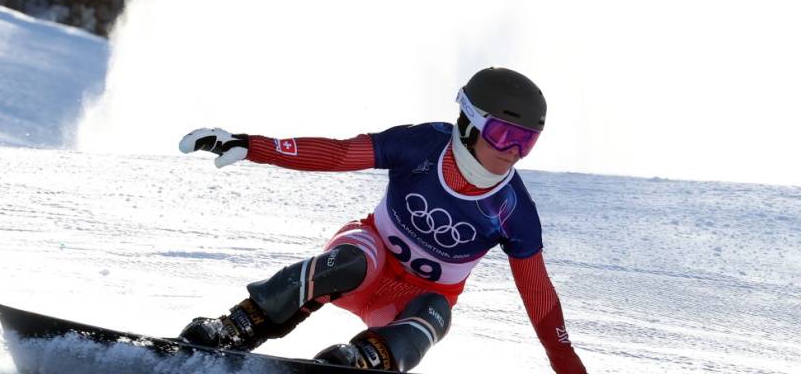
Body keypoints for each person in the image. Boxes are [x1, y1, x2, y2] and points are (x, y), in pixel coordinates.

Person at [178, 67, 587, 373]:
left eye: (526, 141)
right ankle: (240, 324)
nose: (513, 151)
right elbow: (339, 154)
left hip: (410, 302)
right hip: (367, 255)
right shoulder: (421, 145)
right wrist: (253, 146)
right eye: (503, 135)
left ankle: (364, 360)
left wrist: (567, 364)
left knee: (435, 314)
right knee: (352, 262)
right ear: (470, 121)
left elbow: (538, 295)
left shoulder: (513, 209)